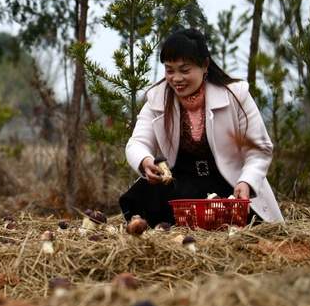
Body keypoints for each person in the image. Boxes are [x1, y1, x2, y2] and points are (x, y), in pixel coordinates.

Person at [120, 28, 283, 227]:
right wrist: (146, 162)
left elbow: (259, 148)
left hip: (228, 183)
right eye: (169, 70)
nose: (176, 78)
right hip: (179, 184)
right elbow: (137, 143)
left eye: (184, 70)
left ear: (205, 65)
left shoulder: (235, 95)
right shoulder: (158, 98)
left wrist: (246, 182)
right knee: (148, 197)